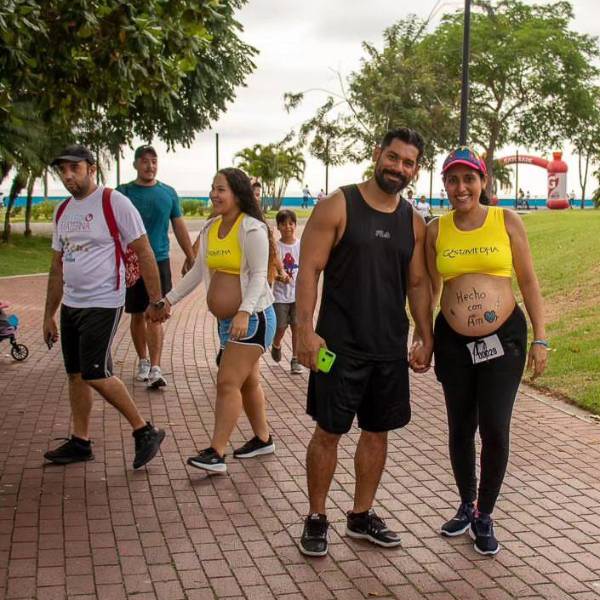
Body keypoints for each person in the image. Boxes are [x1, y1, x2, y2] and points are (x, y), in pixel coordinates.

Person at [295, 127, 433, 557]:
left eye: (408, 163)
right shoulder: (339, 205)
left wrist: (425, 334)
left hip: (388, 349)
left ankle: (360, 515)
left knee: (377, 432)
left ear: (415, 170)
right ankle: (316, 517)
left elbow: (417, 284)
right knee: (328, 431)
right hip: (338, 347)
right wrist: (303, 330)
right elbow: (308, 270)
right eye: (393, 157)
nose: (398, 168)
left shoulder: (413, 221)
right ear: (377, 155)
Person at [425, 147, 548, 556]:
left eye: (468, 178)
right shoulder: (435, 230)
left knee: (494, 426)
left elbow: (528, 281)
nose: (461, 187)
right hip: (453, 342)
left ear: (482, 181)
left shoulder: (505, 220)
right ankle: (466, 502)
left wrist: (541, 337)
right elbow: (429, 288)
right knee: (460, 427)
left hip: (503, 339)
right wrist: (423, 336)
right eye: (452, 180)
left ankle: (484, 513)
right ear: (445, 185)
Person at [43, 144, 166, 469]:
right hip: (71, 304)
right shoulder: (62, 211)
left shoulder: (114, 202)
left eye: (75, 168)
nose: (68, 175)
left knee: (95, 373)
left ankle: (144, 430)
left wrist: (156, 300)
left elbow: (144, 251)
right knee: (75, 375)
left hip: (104, 301)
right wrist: (48, 315)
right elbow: (56, 267)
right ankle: (80, 442)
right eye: (63, 170)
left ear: (91, 169)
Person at [149, 168, 277, 473]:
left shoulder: (252, 229)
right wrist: (168, 300)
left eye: (221, 189)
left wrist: (244, 311)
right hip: (227, 323)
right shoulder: (211, 228)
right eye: (213, 188)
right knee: (248, 383)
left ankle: (216, 453)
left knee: (227, 382)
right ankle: (263, 439)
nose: (214, 195)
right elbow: (197, 271)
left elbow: (259, 275)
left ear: (237, 194)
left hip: (254, 319)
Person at [117, 145, 195, 389]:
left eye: (153, 161)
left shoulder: (168, 193)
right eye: (144, 161)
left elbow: (179, 226)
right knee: (137, 313)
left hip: (160, 260)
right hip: (133, 262)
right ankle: (143, 361)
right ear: (135, 164)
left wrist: (191, 256)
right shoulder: (123, 193)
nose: (149, 166)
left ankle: (155, 368)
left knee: (156, 313)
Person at [271, 209, 302, 374]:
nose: (287, 227)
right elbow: (271, 272)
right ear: (278, 226)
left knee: (297, 327)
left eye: (291, 223)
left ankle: (295, 359)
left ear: (295, 225)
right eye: (283, 224)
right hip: (280, 297)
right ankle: (276, 344)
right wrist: (279, 277)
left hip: (298, 296)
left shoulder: (301, 245)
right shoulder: (276, 248)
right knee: (281, 326)